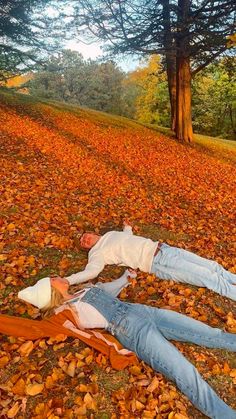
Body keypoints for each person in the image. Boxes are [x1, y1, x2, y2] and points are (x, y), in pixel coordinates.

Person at [17, 272, 236, 419]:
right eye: (52, 278)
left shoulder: (82, 290)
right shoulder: (63, 314)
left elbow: (109, 291)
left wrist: (125, 277)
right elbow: (35, 328)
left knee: (207, 333)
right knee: (185, 371)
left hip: (140, 310)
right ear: (50, 291)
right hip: (130, 330)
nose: (57, 276)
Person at [62, 222, 236, 301]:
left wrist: (127, 227)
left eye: (86, 236)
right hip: (158, 262)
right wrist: (68, 280)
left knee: (213, 266)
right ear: (86, 248)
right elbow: (92, 272)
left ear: (92, 232)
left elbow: (127, 238)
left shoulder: (109, 235)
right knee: (209, 277)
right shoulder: (97, 253)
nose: (86, 240)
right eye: (83, 243)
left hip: (165, 248)